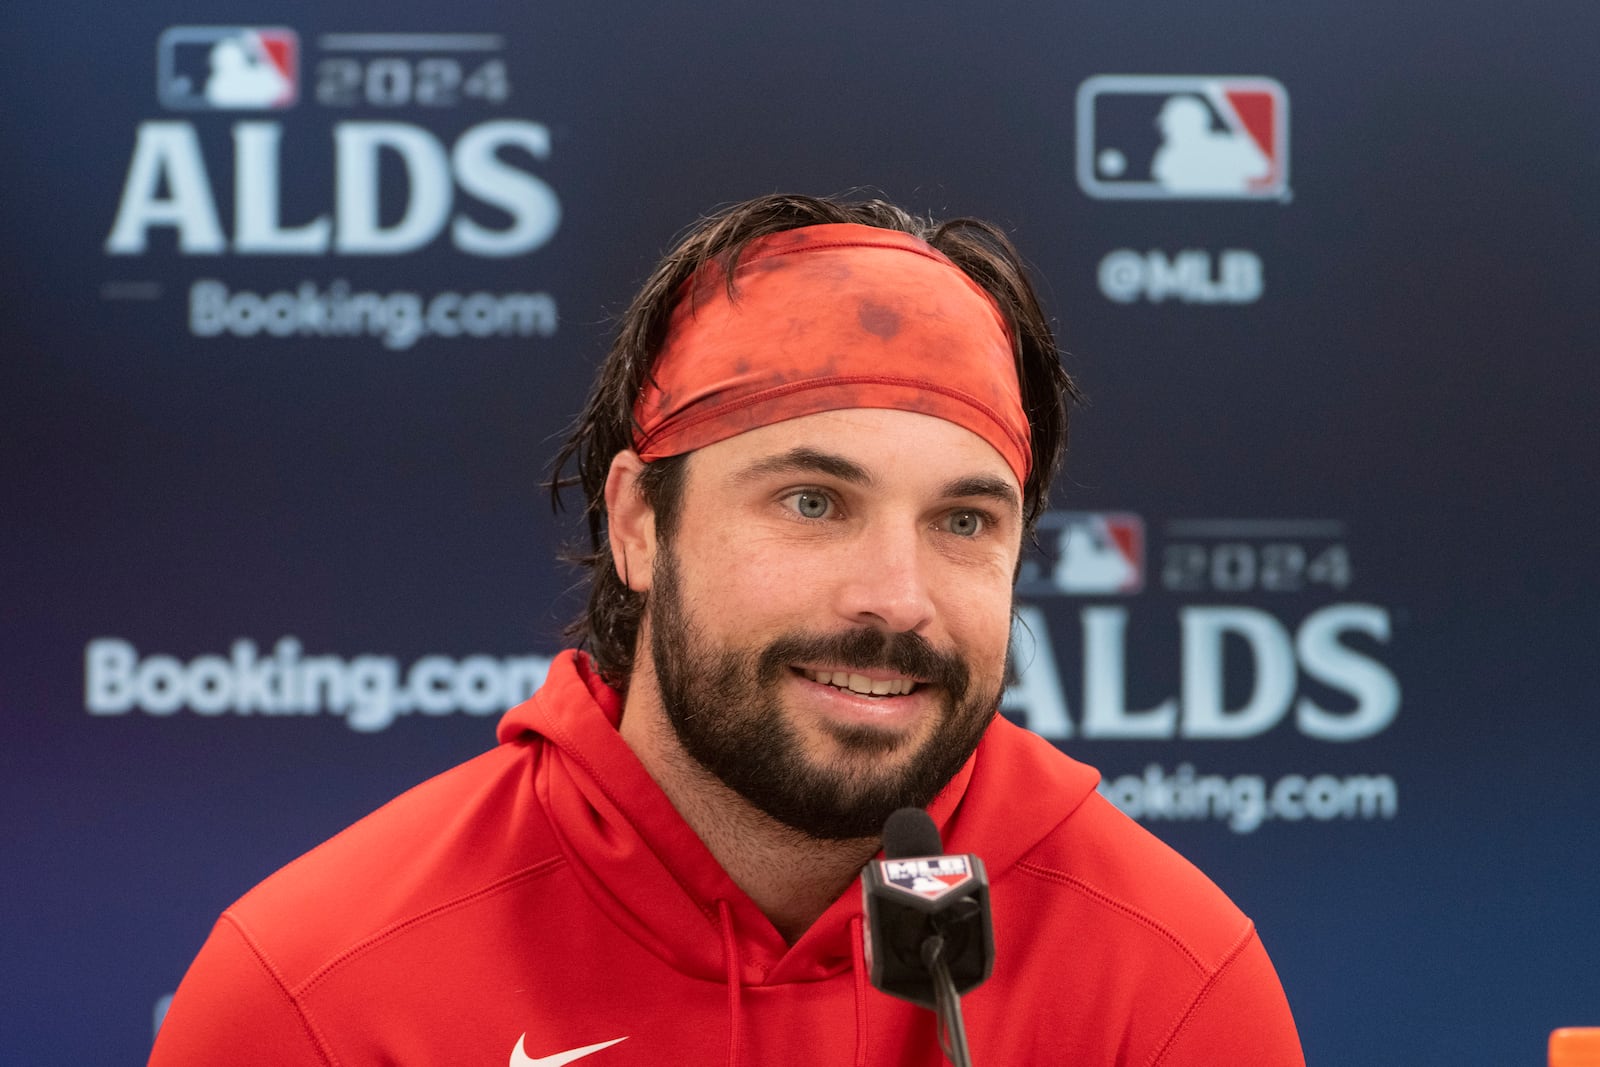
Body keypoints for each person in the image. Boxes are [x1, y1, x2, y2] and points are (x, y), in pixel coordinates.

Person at [149, 193, 1305, 1065]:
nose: (896, 596)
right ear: (641, 523)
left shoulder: (1167, 985)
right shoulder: (319, 994)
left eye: (962, 518)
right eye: (813, 501)